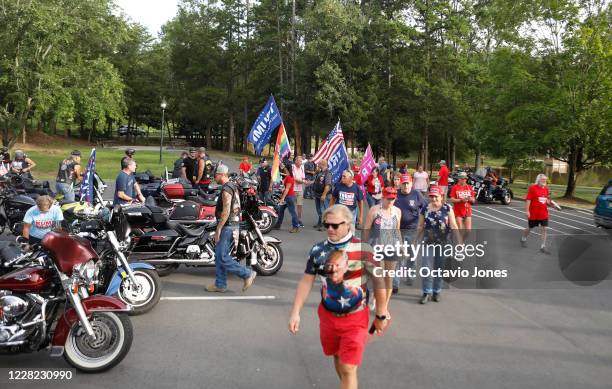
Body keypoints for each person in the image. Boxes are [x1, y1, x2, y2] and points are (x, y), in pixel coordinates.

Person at [288, 205, 389, 389]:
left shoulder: (364, 249)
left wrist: (381, 313)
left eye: (335, 226)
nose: (329, 229)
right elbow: (306, 281)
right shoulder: (318, 250)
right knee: (337, 358)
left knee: (348, 367)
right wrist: (295, 312)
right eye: (327, 225)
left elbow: (379, 281)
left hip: (356, 318)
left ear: (348, 225)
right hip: (328, 317)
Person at [206, 164, 257, 292]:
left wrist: (218, 229)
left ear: (222, 174)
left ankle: (247, 273)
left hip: (228, 224)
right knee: (219, 255)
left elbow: (226, 210)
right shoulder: (232, 186)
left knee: (222, 256)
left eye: (215, 175)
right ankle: (220, 284)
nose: (214, 177)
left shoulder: (226, 189)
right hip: (233, 224)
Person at [414, 185, 461, 304]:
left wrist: (459, 241)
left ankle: (436, 291)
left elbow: (454, 225)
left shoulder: (447, 208)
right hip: (428, 243)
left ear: (441, 196)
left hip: (443, 243)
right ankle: (426, 292)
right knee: (427, 268)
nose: (434, 199)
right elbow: (420, 226)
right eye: (432, 197)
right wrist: (414, 241)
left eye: (436, 197)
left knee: (439, 269)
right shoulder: (425, 208)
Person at [362, 187, 402, 308]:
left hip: (392, 247)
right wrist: (364, 246)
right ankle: (375, 296)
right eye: (388, 199)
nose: (390, 201)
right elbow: (367, 229)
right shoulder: (374, 210)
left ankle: (384, 306)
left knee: (388, 277)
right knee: (378, 276)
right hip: (377, 247)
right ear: (383, 198)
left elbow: (397, 230)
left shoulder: (397, 211)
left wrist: (401, 245)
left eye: (393, 199)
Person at [393, 173, 427, 291]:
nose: (406, 186)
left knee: (412, 256)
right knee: (397, 256)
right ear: (400, 184)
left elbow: (425, 208)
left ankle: (410, 276)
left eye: (408, 183)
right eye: (404, 183)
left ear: (411, 183)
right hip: (397, 230)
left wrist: (424, 223)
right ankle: (395, 284)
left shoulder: (417, 195)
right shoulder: (395, 194)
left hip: (412, 230)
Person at [520, 174, 561, 254]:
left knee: (545, 229)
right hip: (534, 213)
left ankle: (543, 247)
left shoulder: (546, 189)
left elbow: (546, 200)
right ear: (538, 180)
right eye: (542, 179)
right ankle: (523, 238)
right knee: (530, 227)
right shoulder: (532, 188)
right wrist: (527, 211)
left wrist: (553, 205)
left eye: (545, 180)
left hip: (543, 213)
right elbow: (528, 200)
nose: (544, 181)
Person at [273, 164, 300, 233]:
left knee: (292, 212)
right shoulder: (288, 176)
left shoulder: (290, 178)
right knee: (281, 211)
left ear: (288, 170)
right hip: (287, 197)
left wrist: (282, 198)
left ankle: (296, 227)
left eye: (285, 169)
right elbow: (285, 187)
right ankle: (278, 225)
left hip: (289, 197)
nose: (284, 170)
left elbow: (287, 189)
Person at [449, 171, 475, 239]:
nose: (464, 180)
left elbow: (473, 200)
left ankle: (461, 242)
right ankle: (459, 243)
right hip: (458, 211)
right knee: (460, 229)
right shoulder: (455, 187)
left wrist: (470, 199)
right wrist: (461, 200)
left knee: (468, 231)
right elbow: (452, 200)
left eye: (465, 179)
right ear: (459, 179)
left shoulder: (469, 187)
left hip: (467, 211)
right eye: (463, 178)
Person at [312, 160, 333, 230]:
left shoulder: (328, 173)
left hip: (324, 195)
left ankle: (325, 225)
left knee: (324, 210)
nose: (318, 165)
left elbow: (328, 185)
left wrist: (324, 195)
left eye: (319, 164)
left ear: (322, 164)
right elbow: (317, 181)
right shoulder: (320, 172)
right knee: (319, 209)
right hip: (317, 194)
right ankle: (320, 222)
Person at [292, 155, 309, 227]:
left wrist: (305, 182)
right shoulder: (292, 167)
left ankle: (299, 220)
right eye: (299, 161)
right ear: (295, 161)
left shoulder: (302, 168)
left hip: (300, 189)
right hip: (293, 189)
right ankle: (294, 219)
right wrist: (303, 182)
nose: (301, 163)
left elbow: (303, 178)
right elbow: (294, 178)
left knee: (300, 205)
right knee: (291, 205)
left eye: (301, 161)